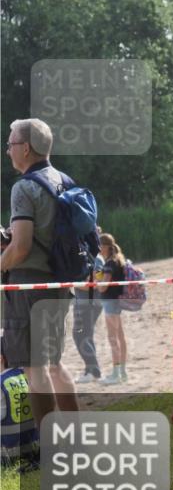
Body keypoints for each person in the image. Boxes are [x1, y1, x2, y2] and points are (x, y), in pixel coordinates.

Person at [0, 118, 79, 424]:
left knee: (36, 369)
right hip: (60, 284)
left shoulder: (24, 188)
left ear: (26, 148)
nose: (8, 151)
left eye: (10, 144)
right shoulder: (65, 181)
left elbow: (20, 248)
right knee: (55, 364)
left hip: (30, 286)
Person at [95, 233, 130, 385]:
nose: (98, 249)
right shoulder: (118, 260)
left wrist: (96, 282)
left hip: (110, 303)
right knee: (120, 338)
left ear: (105, 247)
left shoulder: (109, 264)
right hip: (116, 302)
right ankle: (122, 372)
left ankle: (116, 374)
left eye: (99, 246)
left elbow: (103, 288)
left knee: (112, 338)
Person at [72, 242, 105, 384]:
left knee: (79, 335)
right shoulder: (92, 257)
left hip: (89, 303)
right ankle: (90, 370)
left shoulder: (95, 258)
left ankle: (93, 370)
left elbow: (97, 281)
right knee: (86, 335)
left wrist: (72, 282)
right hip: (87, 302)